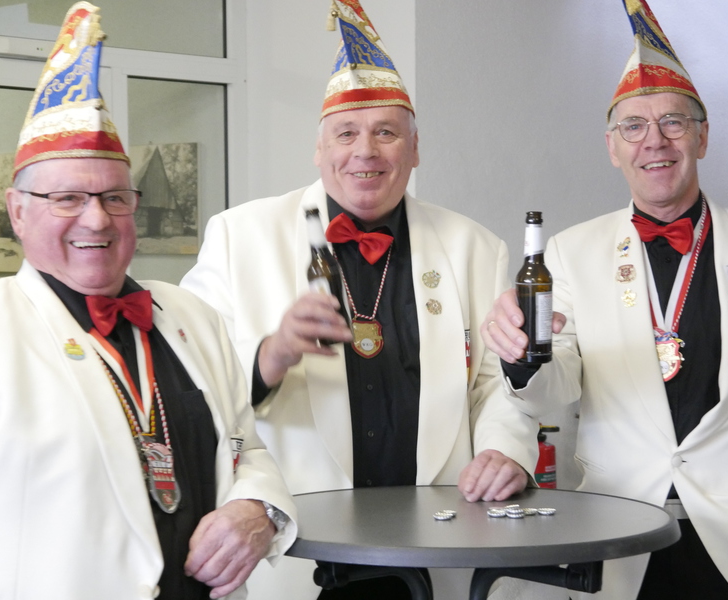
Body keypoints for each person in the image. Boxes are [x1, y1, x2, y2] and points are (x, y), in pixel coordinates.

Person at [181, 1, 538, 598]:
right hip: (297, 546)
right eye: (346, 133)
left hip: (439, 544)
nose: (365, 151)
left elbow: (493, 384)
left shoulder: (475, 247)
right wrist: (271, 354)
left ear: (415, 149)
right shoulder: (239, 236)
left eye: (386, 133)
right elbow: (192, 384)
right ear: (319, 149)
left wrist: (507, 451)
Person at [0, 5, 296, 599]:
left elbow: (245, 447)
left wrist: (259, 508)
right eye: (68, 198)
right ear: (17, 212)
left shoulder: (193, 316)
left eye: (115, 197)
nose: (97, 218)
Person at [482, 1, 728, 599]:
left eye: (674, 122)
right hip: (622, 528)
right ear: (612, 147)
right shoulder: (570, 251)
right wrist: (522, 355)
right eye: (633, 126)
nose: (654, 140)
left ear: (703, 137)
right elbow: (557, 387)